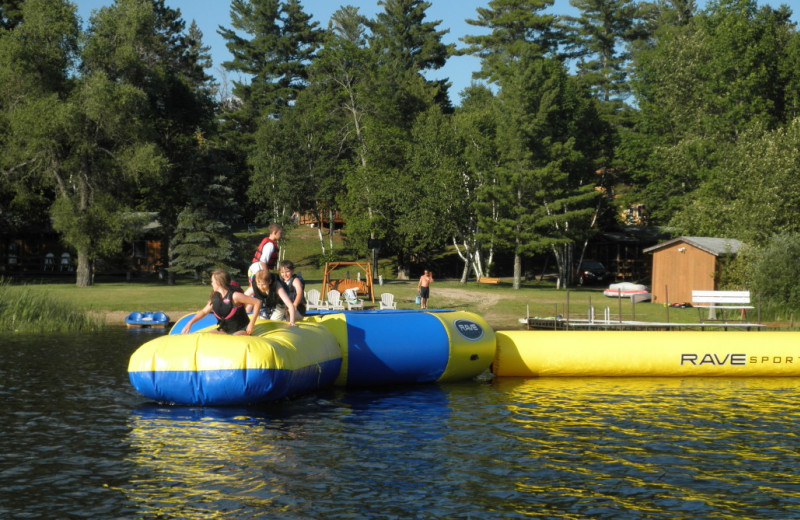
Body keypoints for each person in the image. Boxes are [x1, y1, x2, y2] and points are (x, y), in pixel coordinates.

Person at [181, 270, 261, 335]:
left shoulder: (235, 296)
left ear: (219, 283)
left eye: (212, 281)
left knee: (234, 340)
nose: (211, 283)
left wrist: (251, 323)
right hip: (224, 330)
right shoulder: (215, 298)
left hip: (241, 329)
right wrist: (190, 323)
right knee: (206, 337)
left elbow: (257, 302)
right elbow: (204, 311)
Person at [246, 223, 283, 295]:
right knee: (257, 291)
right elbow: (263, 261)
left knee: (254, 291)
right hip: (257, 271)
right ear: (275, 232)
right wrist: (267, 275)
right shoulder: (270, 245)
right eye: (280, 233)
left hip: (253, 269)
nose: (281, 235)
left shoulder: (268, 242)